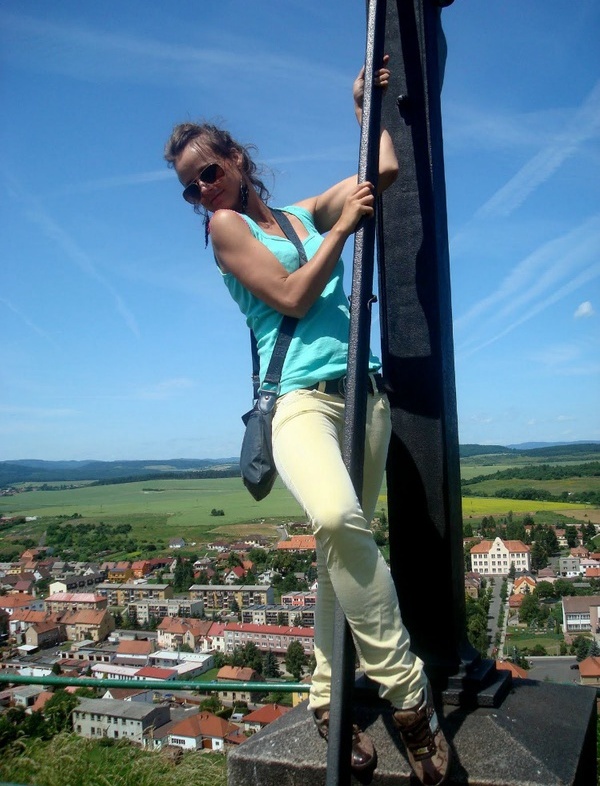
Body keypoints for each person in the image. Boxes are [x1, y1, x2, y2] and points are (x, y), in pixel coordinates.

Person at [164, 59, 450, 786]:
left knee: (338, 555)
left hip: (362, 396)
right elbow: (292, 295)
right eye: (190, 187)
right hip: (297, 402)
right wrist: (342, 231)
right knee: (335, 519)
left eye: (208, 172)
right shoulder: (226, 229)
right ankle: (410, 698)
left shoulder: (296, 216)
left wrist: (364, 109)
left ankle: (326, 698)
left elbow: (382, 172)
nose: (203, 190)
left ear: (235, 158)